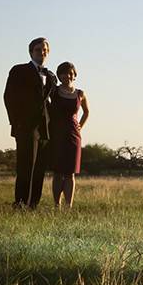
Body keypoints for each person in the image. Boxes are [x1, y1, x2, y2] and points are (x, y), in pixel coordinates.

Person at [4, 37, 57, 209]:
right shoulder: (19, 71)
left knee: (40, 167)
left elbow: (52, 101)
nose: (42, 52)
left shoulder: (50, 76)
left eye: (45, 50)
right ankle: (20, 203)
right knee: (26, 165)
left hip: (45, 127)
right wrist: (16, 122)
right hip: (25, 126)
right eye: (38, 49)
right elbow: (9, 97)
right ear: (31, 52)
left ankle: (33, 204)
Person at [48, 61, 89, 208]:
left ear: (75, 75)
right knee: (58, 172)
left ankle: (68, 206)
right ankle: (56, 205)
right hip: (56, 134)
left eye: (71, 73)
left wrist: (80, 126)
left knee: (70, 173)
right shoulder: (54, 91)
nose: (68, 76)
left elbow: (87, 112)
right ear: (59, 75)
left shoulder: (80, 93)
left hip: (73, 135)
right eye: (64, 73)